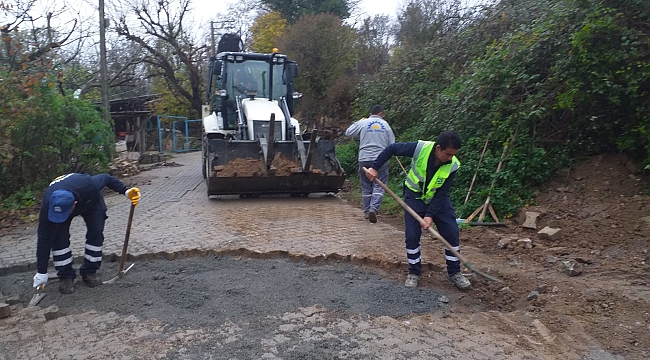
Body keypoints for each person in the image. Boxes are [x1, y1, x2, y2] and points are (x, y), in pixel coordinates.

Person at [365, 131, 471, 290]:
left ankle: (454, 272)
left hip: (437, 198)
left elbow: (442, 192)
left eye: (453, 155)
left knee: (451, 232)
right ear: (438, 148)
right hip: (414, 196)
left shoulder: (453, 164)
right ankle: (414, 272)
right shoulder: (419, 148)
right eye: (447, 154)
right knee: (412, 235)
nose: (450, 158)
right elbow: (392, 149)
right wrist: (374, 167)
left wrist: (429, 216)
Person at [32, 173, 141, 294]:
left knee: (96, 232)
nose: (61, 218)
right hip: (65, 201)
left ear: (74, 205)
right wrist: (41, 271)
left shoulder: (89, 185)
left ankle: (90, 271)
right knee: (59, 238)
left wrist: (126, 191)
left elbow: (106, 178)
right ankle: (65, 276)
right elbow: (44, 238)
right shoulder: (48, 204)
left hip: (91, 201)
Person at [345, 105, 395, 223]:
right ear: (381, 113)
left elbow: (348, 132)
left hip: (364, 158)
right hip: (380, 159)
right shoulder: (386, 126)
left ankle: (367, 212)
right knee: (380, 184)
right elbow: (392, 144)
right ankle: (374, 208)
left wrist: (359, 121)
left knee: (366, 185)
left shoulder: (363, 123)